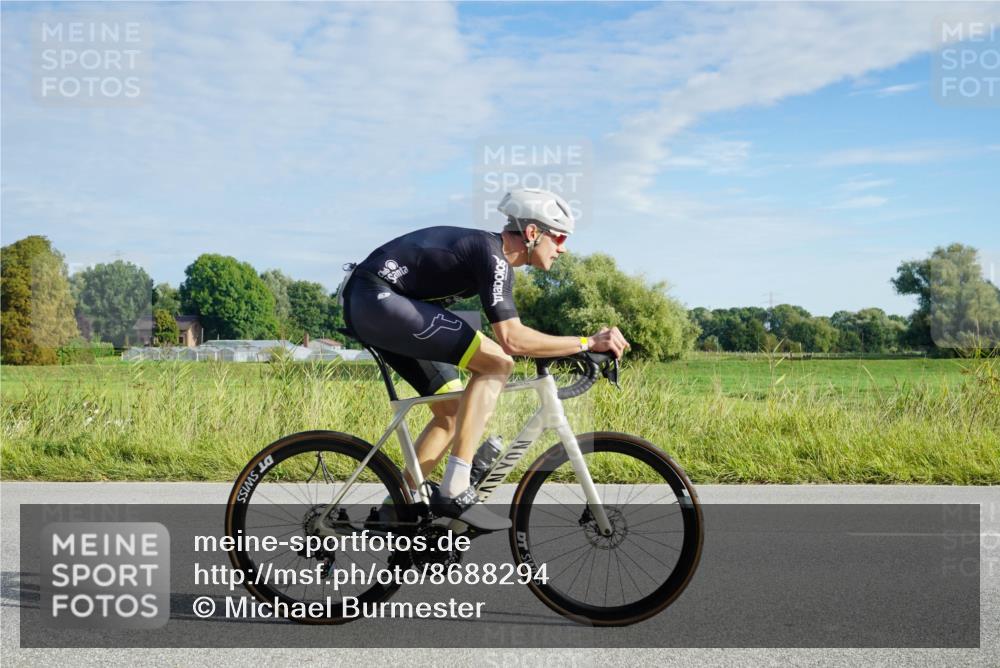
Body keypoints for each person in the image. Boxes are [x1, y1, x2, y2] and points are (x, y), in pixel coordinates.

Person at [340, 188, 629, 531]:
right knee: (497, 363)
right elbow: (512, 340)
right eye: (560, 237)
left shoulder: (494, 260)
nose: (563, 248)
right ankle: (456, 485)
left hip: (380, 303)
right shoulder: (492, 256)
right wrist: (586, 342)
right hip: (378, 298)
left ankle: (397, 506)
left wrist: (579, 346)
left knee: (451, 412)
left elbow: (514, 335)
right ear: (533, 233)